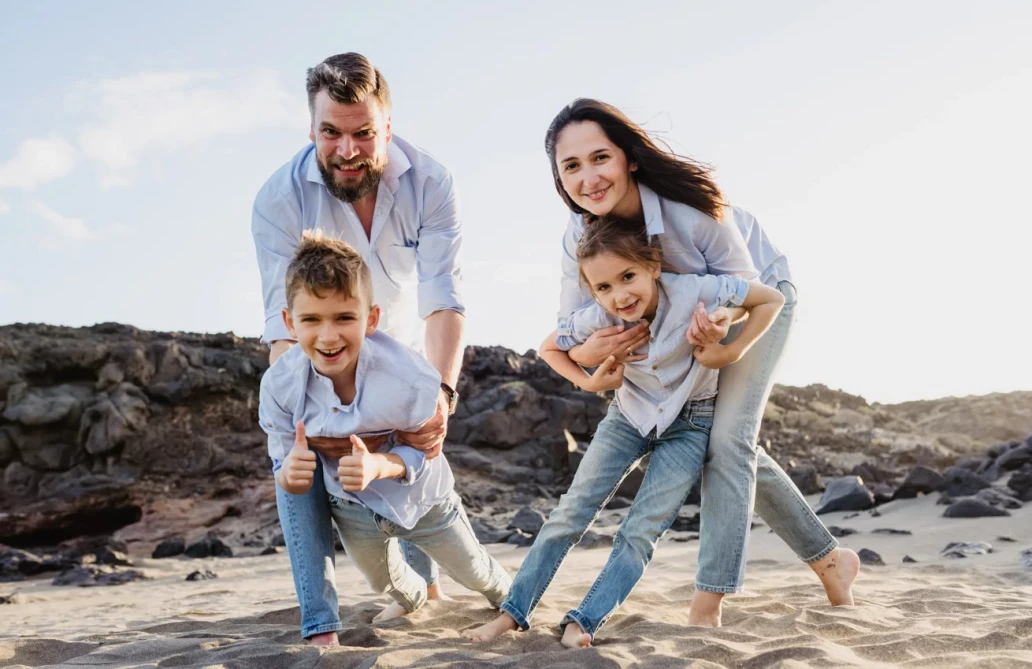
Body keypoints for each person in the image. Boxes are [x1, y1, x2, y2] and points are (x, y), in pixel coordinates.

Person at [466, 217, 784, 648]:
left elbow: (772, 298)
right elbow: (549, 348)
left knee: (641, 531)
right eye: (604, 288)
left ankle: (585, 621)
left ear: (653, 265)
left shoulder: (696, 290)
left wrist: (729, 349)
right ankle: (512, 613)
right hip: (628, 418)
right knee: (570, 513)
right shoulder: (596, 318)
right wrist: (590, 381)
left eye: (628, 276)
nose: (619, 295)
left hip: (691, 424)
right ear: (592, 291)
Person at [251, 52, 466, 644]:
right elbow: (282, 321)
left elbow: (443, 297)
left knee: (409, 454)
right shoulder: (278, 200)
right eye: (331, 133)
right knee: (293, 462)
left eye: (363, 133)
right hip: (320, 342)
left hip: (399, 345)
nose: (348, 150)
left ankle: (429, 582)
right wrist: (296, 423)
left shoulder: (432, 182)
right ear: (312, 128)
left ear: (387, 129)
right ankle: (320, 623)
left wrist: (442, 393)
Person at [261, 233, 510, 619]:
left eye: (344, 317)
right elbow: (282, 460)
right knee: (387, 583)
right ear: (289, 323)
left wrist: (380, 465)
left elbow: (425, 449)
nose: (328, 336)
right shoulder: (279, 386)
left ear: (371, 319)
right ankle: (413, 598)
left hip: (423, 501)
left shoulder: (408, 379)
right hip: (352, 507)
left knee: (474, 571)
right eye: (311, 320)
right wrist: (289, 475)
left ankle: (513, 596)